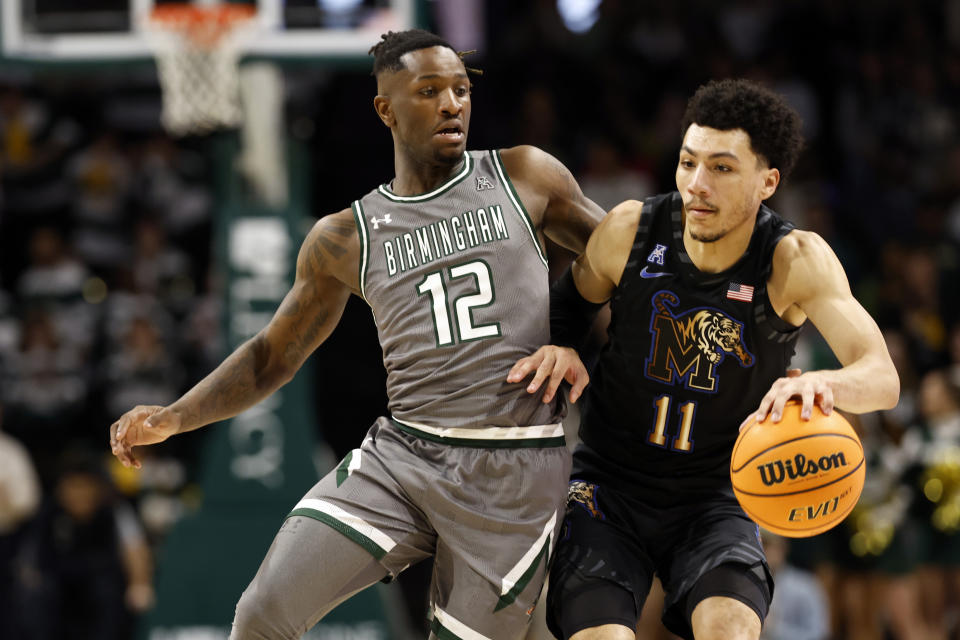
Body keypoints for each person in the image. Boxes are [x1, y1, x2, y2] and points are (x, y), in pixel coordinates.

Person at [109, 29, 603, 640]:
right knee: (263, 612)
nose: (453, 104)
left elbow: (629, 267)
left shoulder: (524, 175)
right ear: (385, 109)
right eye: (430, 91)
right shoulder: (346, 235)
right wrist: (177, 416)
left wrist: (576, 340)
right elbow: (271, 356)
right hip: (403, 456)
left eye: (461, 90)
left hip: (514, 466)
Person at [519, 79, 900, 640]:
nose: (697, 184)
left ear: (767, 181)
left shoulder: (794, 259)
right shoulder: (631, 229)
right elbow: (564, 311)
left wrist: (819, 385)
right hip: (608, 486)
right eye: (687, 162)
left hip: (718, 494)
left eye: (721, 168)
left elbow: (882, 376)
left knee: (730, 630)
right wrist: (561, 344)